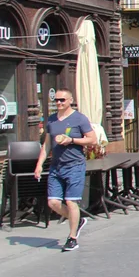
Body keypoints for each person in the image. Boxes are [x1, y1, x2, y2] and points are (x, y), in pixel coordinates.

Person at [33, 89, 97, 252]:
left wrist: (72, 140)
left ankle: (72, 237)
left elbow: (92, 139)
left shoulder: (79, 119)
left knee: (70, 201)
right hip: (56, 166)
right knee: (53, 202)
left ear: (70, 100)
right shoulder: (52, 120)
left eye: (62, 100)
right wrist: (40, 164)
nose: (59, 103)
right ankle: (77, 220)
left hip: (74, 165)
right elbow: (47, 144)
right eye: (56, 100)